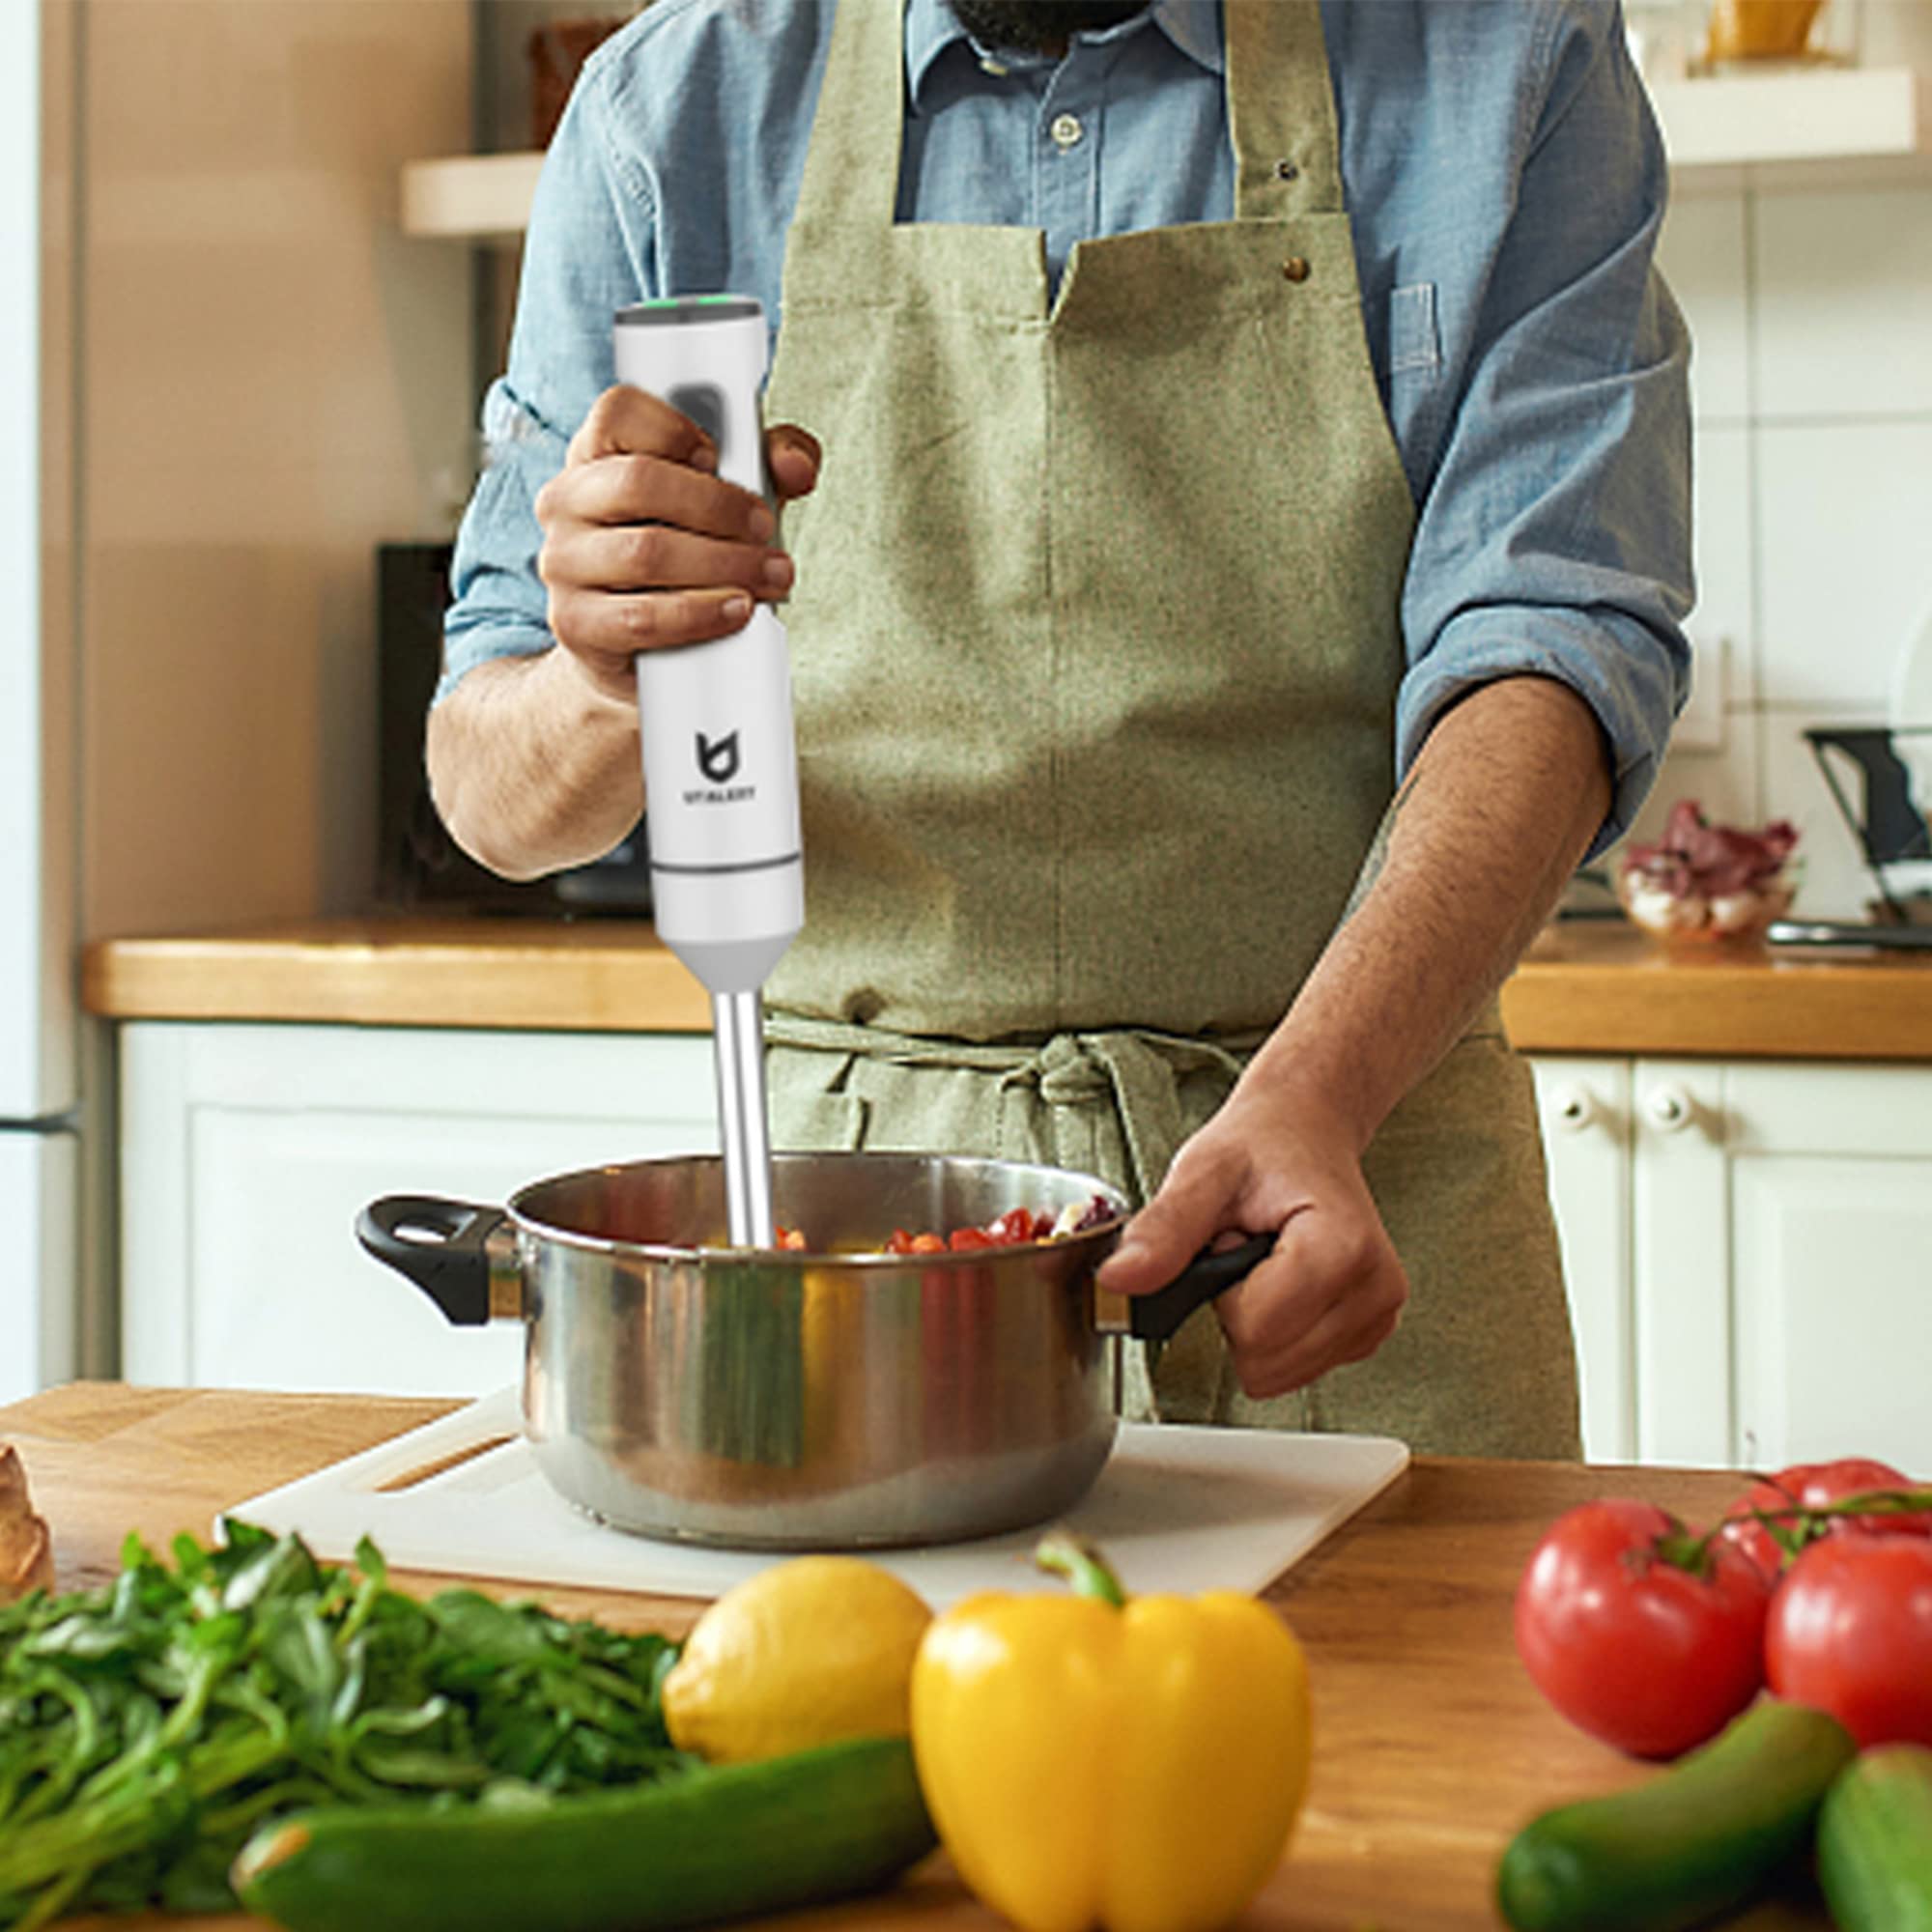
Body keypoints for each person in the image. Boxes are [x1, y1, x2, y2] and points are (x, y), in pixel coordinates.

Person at [427, 0, 1692, 1458]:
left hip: (1340, 1203)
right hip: (845, 1264)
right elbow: (490, 789)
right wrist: (600, 678)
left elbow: (1546, 646)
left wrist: (1317, 1096)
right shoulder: (671, 110)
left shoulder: (1508, 61)